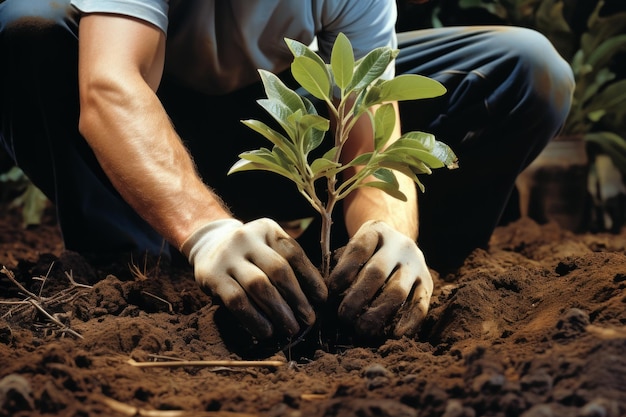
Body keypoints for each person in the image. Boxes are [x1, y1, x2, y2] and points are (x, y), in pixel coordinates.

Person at [0, 0, 574, 342]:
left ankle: (365, 287)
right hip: (148, 151)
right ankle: (140, 275)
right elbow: (110, 86)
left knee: (523, 68)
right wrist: (206, 230)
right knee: (26, 28)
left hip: (283, 135)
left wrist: (392, 231)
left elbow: (373, 130)